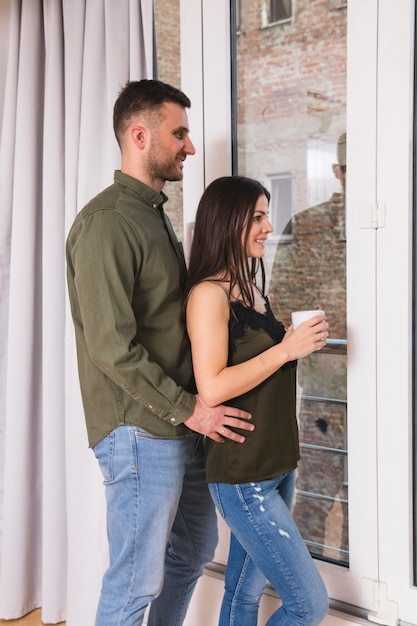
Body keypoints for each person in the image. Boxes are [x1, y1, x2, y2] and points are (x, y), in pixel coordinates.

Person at [66, 80, 253, 626]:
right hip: (140, 430)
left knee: (194, 547)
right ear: (140, 135)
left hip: (181, 423)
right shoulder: (107, 223)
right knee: (134, 579)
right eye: (180, 133)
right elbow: (111, 347)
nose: (189, 147)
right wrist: (193, 409)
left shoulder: (154, 215)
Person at [184, 175, 329, 626]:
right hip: (244, 477)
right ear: (228, 222)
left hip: (278, 465)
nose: (269, 227)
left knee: (242, 595)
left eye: (267, 216)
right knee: (309, 604)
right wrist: (285, 349)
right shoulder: (208, 295)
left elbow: (260, 365)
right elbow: (212, 386)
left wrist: (291, 343)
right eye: (259, 217)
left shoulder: (250, 288)